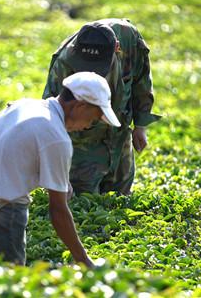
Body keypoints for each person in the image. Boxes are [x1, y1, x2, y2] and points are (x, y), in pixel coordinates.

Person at [0, 72, 121, 266]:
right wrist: (84, 260)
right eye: (94, 118)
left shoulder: (24, 105)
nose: (89, 126)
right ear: (81, 106)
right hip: (3, 217)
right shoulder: (57, 138)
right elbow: (58, 211)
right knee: (5, 283)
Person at [43, 18, 160, 196]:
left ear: (117, 48)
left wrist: (140, 126)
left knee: (120, 200)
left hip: (119, 136)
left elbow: (141, 80)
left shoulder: (129, 39)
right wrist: (59, 176)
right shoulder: (64, 62)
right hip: (83, 144)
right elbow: (50, 119)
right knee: (82, 203)